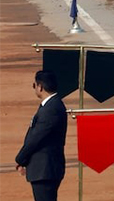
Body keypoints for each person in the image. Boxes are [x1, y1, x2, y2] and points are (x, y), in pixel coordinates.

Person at [15, 71, 67, 201]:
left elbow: (36, 138)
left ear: (40, 87)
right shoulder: (51, 106)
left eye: (35, 85)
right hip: (44, 168)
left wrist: (21, 159)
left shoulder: (51, 109)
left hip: (45, 169)